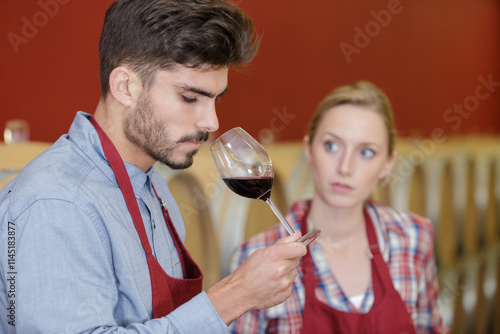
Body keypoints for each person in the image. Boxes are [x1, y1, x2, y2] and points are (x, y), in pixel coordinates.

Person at [0, 0, 307, 332]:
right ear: (125, 87)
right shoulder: (56, 203)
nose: (211, 121)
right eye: (190, 98)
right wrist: (234, 296)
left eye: (215, 99)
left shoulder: (152, 183)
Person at [229, 81, 448, 333]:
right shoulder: (256, 257)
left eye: (366, 152)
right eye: (331, 146)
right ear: (309, 149)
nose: (345, 167)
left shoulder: (413, 236)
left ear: (388, 163)